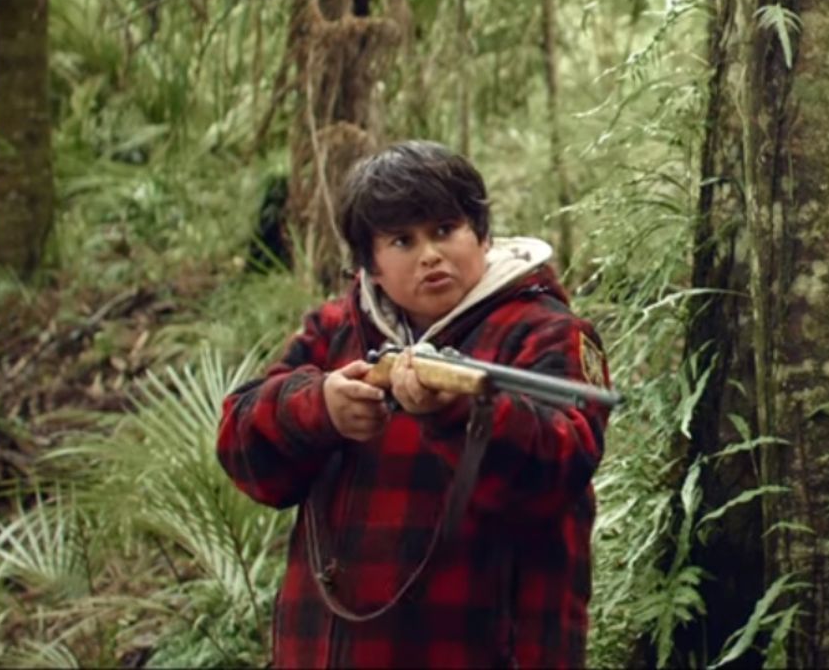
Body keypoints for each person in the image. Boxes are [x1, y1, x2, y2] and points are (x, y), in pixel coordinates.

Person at [217, 140, 610, 667]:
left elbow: (561, 465)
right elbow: (244, 450)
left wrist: (460, 414)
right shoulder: (335, 329)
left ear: (482, 233)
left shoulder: (547, 332)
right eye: (402, 240)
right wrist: (321, 408)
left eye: (445, 230)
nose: (429, 254)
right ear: (371, 266)